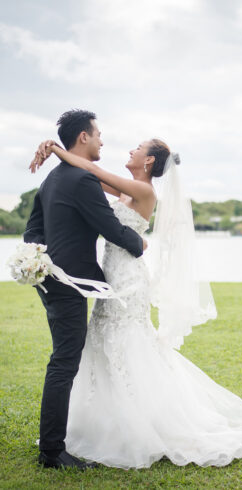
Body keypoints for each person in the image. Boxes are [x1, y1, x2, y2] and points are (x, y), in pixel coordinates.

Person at [30, 131, 242, 469]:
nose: (129, 150)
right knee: (102, 344)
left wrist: (55, 149)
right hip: (110, 278)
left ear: (149, 161)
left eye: (137, 148)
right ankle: (106, 423)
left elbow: (93, 173)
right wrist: (56, 152)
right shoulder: (125, 189)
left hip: (128, 280)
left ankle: (145, 425)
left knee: (127, 345)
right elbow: (86, 175)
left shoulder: (142, 190)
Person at [25, 109, 146, 470]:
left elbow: (33, 229)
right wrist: (139, 245)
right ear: (83, 138)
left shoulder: (51, 179)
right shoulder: (81, 180)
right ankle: (52, 452)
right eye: (98, 134)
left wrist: (38, 260)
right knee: (64, 362)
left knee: (63, 359)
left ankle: (53, 445)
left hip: (50, 280)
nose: (102, 141)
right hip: (68, 283)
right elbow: (109, 227)